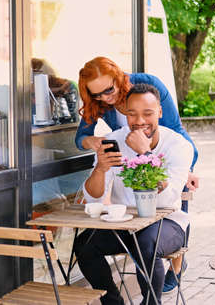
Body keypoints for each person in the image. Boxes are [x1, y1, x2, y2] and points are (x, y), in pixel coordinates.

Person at [75, 56, 198, 291]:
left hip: (163, 211)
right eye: (132, 114)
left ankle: (176, 268)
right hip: (128, 221)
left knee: (147, 241)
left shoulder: (175, 142)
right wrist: (98, 160)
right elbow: (93, 196)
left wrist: (149, 154)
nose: (105, 98)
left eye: (108, 90)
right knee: (84, 245)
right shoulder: (114, 139)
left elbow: (165, 198)